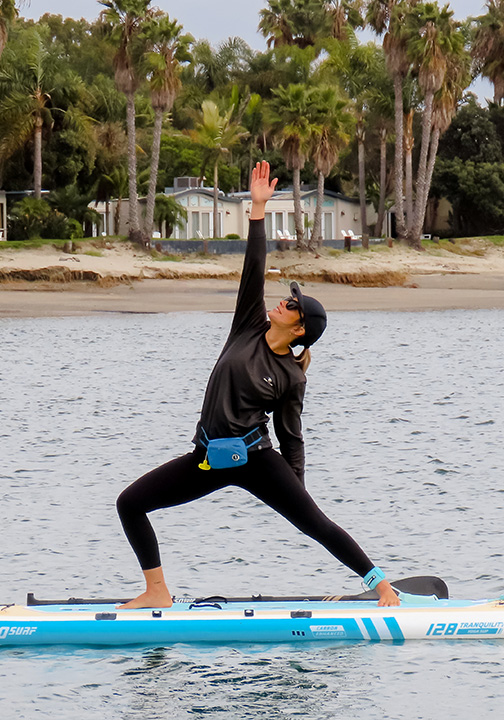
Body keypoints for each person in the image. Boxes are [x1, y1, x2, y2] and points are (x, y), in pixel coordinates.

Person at [115, 161, 400, 609]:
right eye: (288, 297)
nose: (283, 301)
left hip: (255, 460)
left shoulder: (291, 375)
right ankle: (157, 591)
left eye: (292, 305)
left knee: (315, 523)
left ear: (301, 327)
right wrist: (257, 209)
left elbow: (291, 435)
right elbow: (253, 266)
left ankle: (382, 585)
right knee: (130, 503)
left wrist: (297, 490)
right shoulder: (247, 324)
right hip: (206, 458)